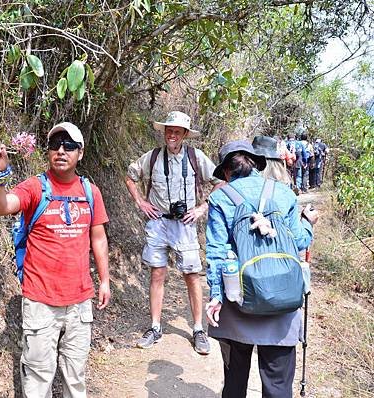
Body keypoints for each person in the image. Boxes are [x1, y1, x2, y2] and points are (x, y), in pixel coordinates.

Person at [0, 122, 111, 398]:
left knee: (75, 378)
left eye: (69, 145)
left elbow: (98, 238)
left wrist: (104, 281)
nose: (61, 150)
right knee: (38, 379)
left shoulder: (91, 193)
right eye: (55, 145)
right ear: (47, 152)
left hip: (79, 303)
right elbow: (1, 207)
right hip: (40, 302)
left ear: (80, 152)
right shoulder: (34, 188)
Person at [204, 140, 319, 398]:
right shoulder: (284, 193)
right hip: (283, 300)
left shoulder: (221, 198)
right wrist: (309, 223)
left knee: (234, 382)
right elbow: (300, 241)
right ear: (256, 164)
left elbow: (216, 252)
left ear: (225, 172)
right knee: (278, 386)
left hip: (238, 301)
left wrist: (215, 296)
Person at [125, 111, 222, 354]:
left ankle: (199, 329)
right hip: (158, 223)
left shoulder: (195, 157)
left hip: (186, 224)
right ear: (164, 131)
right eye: (169, 130)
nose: (172, 135)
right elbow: (130, 176)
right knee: (157, 273)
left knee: (192, 275)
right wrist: (141, 203)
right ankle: (155, 327)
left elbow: (220, 181)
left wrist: (202, 208)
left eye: (177, 131)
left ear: (185, 135)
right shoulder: (153, 157)